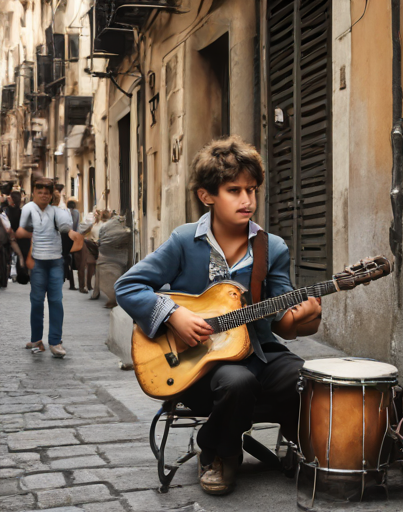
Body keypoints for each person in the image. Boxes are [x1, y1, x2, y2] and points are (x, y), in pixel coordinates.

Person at [115, 135, 321, 495]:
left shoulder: (271, 248)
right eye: (234, 190)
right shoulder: (183, 241)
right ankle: (218, 451)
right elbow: (128, 286)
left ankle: (293, 439)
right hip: (198, 366)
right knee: (236, 382)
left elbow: (282, 319)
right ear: (206, 196)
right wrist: (173, 315)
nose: (247, 200)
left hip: (257, 350)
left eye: (252, 190)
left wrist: (302, 321)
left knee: (306, 377)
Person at [16, 177, 79, 358]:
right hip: (37, 262)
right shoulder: (28, 210)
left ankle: (55, 342)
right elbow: (23, 233)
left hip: (56, 262)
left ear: (51, 196)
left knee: (55, 301)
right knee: (36, 301)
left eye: (46, 193)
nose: (43, 195)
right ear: (34, 193)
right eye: (40, 192)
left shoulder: (59, 212)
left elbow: (66, 229)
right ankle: (36, 339)